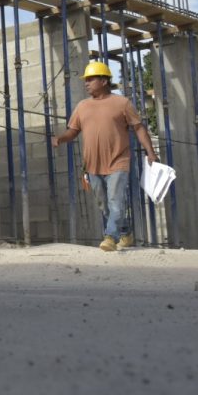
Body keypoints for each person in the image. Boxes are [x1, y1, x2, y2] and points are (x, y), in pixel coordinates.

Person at [52, 60, 158, 252]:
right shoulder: (82, 106)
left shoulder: (122, 103)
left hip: (118, 161)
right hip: (92, 165)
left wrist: (150, 152)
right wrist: (61, 138)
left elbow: (139, 128)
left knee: (115, 201)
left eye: (90, 79)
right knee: (104, 205)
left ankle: (110, 237)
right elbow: (73, 131)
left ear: (104, 81)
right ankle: (125, 232)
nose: (86, 83)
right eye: (86, 80)